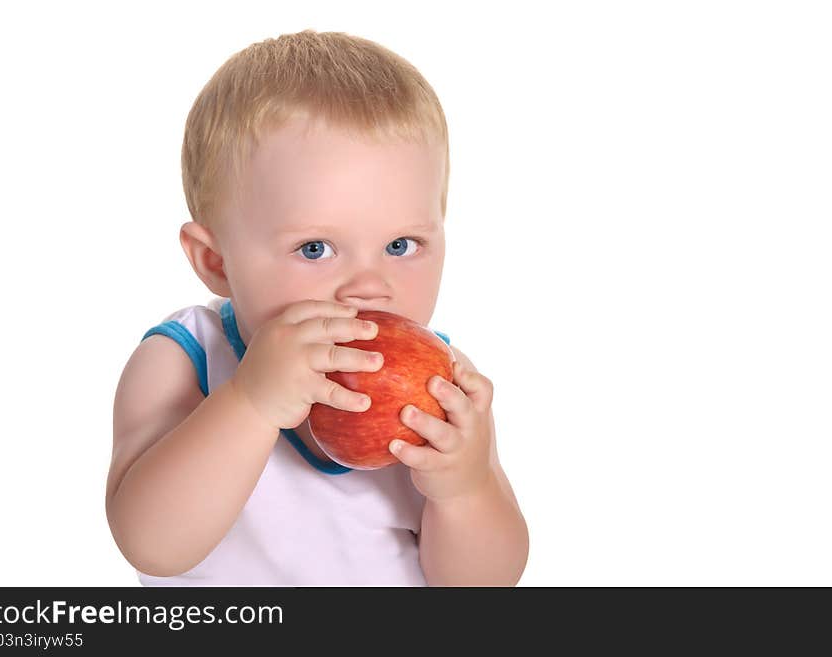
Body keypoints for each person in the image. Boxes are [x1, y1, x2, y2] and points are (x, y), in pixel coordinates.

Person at [105, 29, 528, 586]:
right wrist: (251, 402)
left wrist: (465, 488)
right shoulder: (185, 360)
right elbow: (153, 547)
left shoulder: (441, 387)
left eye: (400, 246)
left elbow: (481, 586)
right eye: (315, 249)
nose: (368, 288)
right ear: (216, 262)